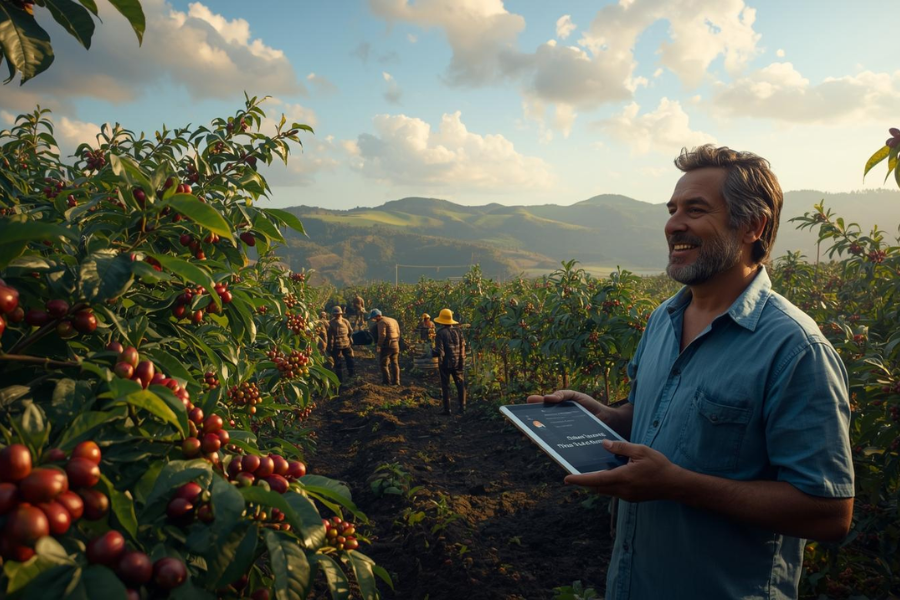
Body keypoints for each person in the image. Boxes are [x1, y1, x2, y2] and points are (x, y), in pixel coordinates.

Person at [528, 145, 854, 599]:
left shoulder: (794, 348)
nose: (673, 224)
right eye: (672, 209)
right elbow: (653, 413)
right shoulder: (663, 318)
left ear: (753, 226)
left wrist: (678, 486)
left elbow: (828, 512)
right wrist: (607, 416)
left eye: (695, 210)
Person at [432, 308, 466, 415]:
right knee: (460, 384)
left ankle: (447, 410)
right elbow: (463, 347)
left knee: (446, 386)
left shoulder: (440, 333)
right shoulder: (458, 331)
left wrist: (430, 352)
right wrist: (462, 360)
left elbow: (439, 351)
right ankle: (462, 408)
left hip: (445, 364)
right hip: (458, 362)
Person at [369, 308, 401, 386]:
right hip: (395, 344)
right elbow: (398, 332)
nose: (374, 320)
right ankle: (396, 382)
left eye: (374, 318)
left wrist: (379, 345)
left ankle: (386, 382)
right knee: (395, 363)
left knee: (383, 363)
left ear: (377, 316)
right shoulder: (393, 320)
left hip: (387, 345)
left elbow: (382, 335)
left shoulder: (381, 322)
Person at [326, 306, 354, 388]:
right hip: (340, 344)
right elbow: (350, 331)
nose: (337, 315)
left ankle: (349, 376)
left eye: (337, 314)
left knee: (345, 360)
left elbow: (350, 332)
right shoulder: (343, 321)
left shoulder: (332, 323)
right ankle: (342, 379)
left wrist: (330, 348)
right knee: (343, 361)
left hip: (342, 344)